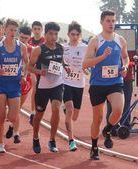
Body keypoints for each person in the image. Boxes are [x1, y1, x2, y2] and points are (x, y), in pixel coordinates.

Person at [82, 10, 129, 160]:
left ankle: (108, 130)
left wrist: (126, 67)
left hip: (115, 81)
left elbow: (125, 57)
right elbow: (85, 63)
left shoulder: (120, 40)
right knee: (97, 118)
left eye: (113, 21)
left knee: (117, 111)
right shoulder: (95, 41)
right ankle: (94, 147)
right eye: (108, 21)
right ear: (102, 22)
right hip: (97, 84)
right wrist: (102, 56)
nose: (111, 23)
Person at [0, 18, 28, 153]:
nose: (13, 32)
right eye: (11, 30)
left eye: (15, 30)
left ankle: (11, 127)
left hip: (15, 85)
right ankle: (0, 143)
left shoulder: (22, 47)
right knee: (0, 116)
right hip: (1, 85)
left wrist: (24, 76)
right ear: (5, 29)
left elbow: (26, 63)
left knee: (14, 116)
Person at [29, 22, 69, 154]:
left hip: (57, 84)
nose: (54, 37)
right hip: (43, 87)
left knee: (56, 109)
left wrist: (66, 66)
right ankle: (35, 137)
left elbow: (61, 61)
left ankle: (52, 140)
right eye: (51, 34)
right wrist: (40, 72)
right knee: (39, 114)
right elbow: (29, 67)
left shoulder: (60, 48)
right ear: (45, 34)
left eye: (56, 34)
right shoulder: (38, 50)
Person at [62, 21, 88, 151]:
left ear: (80, 35)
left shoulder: (85, 47)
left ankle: (66, 108)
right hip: (66, 83)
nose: (74, 36)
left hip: (79, 84)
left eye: (77, 34)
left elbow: (88, 63)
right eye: (72, 34)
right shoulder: (63, 48)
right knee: (70, 109)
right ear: (68, 34)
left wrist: (88, 70)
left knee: (75, 116)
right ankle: (71, 140)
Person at [5, 26, 33, 142]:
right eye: (21, 37)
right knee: (11, 108)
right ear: (18, 35)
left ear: (29, 38)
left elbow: (33, 65)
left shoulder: (32, 49)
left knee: (18, 108)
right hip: (10, 80)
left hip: (24, 81)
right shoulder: (12, 46)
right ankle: (12, 125)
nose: (23, 40)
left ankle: (15, 132)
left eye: (26, 38)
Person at [106, 50, 136, 131]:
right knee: (111, 104)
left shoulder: (131, 48)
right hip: (113, 80)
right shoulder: (112, 46)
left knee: (126, 103)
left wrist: (128, 65)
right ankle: (111, 126)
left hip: (127, 79)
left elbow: (135, 61)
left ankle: (125, 124)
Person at [28, 21, 46, 125]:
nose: (37, 31)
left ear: (41, 30)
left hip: (41, 69)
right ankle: (32, 113)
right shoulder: (29, 41)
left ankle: (35, 112)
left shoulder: (44, 41)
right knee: (34, 89)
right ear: (32, 30)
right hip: (31, 69)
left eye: (39, 29)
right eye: (35, 29)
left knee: (38, 92)